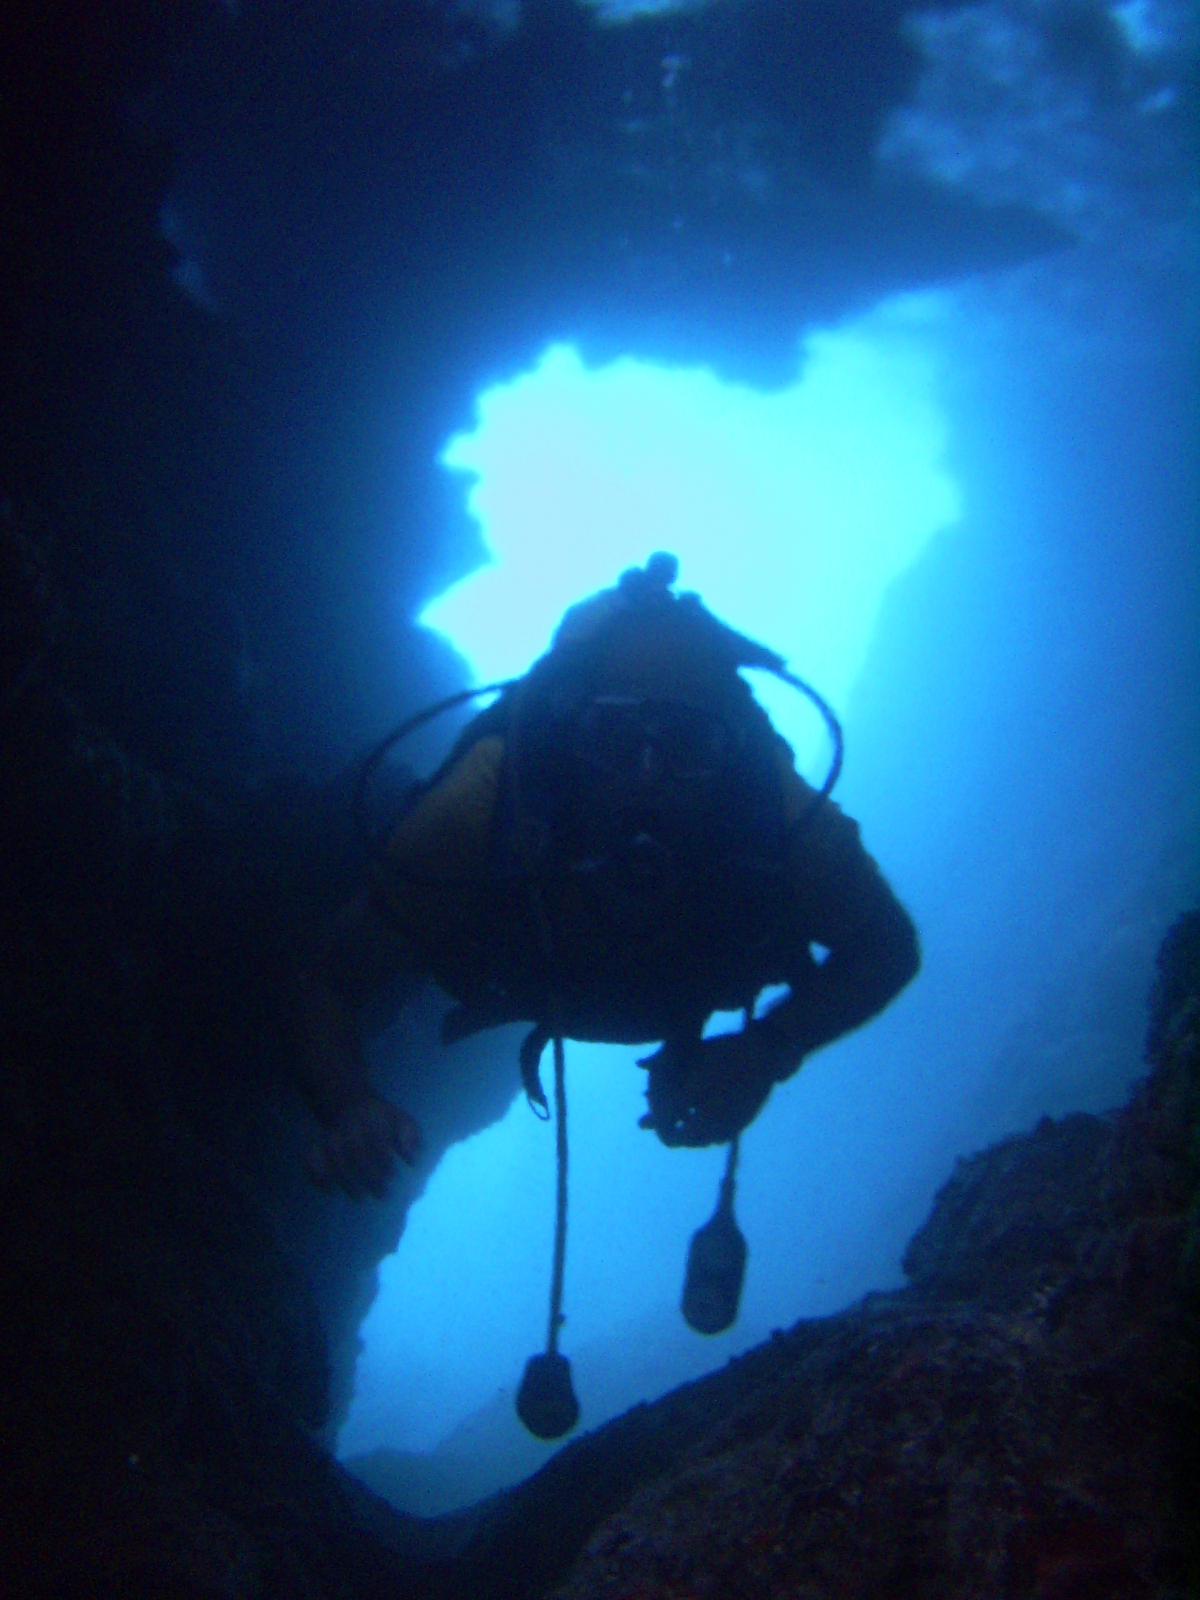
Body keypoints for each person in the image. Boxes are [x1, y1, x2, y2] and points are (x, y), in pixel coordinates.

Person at [293, 554, 919, 1199]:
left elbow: (888, 949)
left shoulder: (781, 821)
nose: (647, 775)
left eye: (686, 744)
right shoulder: (485, 801)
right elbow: (331, 979)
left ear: (726, 753)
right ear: (570, 737)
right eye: (616, 738)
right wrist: (348, 1103)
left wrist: (766, 1050)